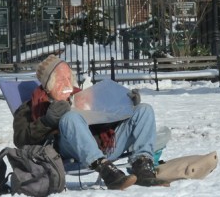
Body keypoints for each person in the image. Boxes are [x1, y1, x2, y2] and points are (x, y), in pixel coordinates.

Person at [13, 54, 169, 190]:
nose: (68, 83)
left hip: (105, 145)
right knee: (70, 118)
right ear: (48, 84)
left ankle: (142, 166)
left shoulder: (83, 98)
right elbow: (21, 140)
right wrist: (47, 121)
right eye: (61, 79)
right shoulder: (31, 107)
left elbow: (108, 118)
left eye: (69, 78)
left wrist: (126, 105)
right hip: (68, 152)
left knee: (144, 110)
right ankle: (105, 169)